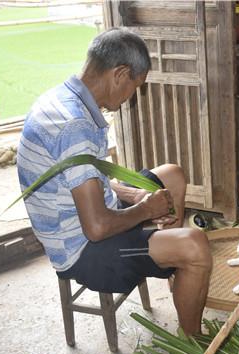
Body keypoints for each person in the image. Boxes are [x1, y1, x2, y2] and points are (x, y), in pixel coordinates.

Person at [17, 28, 212, 336]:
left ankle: (173, 264)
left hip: (89, 215)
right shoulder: (75, 126)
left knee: (172, 174)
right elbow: (96, 229)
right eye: (135, 87)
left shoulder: (65, 97)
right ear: (120, 74)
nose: (130, 97)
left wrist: (134, 196)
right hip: (83, 251)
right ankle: (193, 339)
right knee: (196, 246)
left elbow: (85, 182)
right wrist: (146, 210)